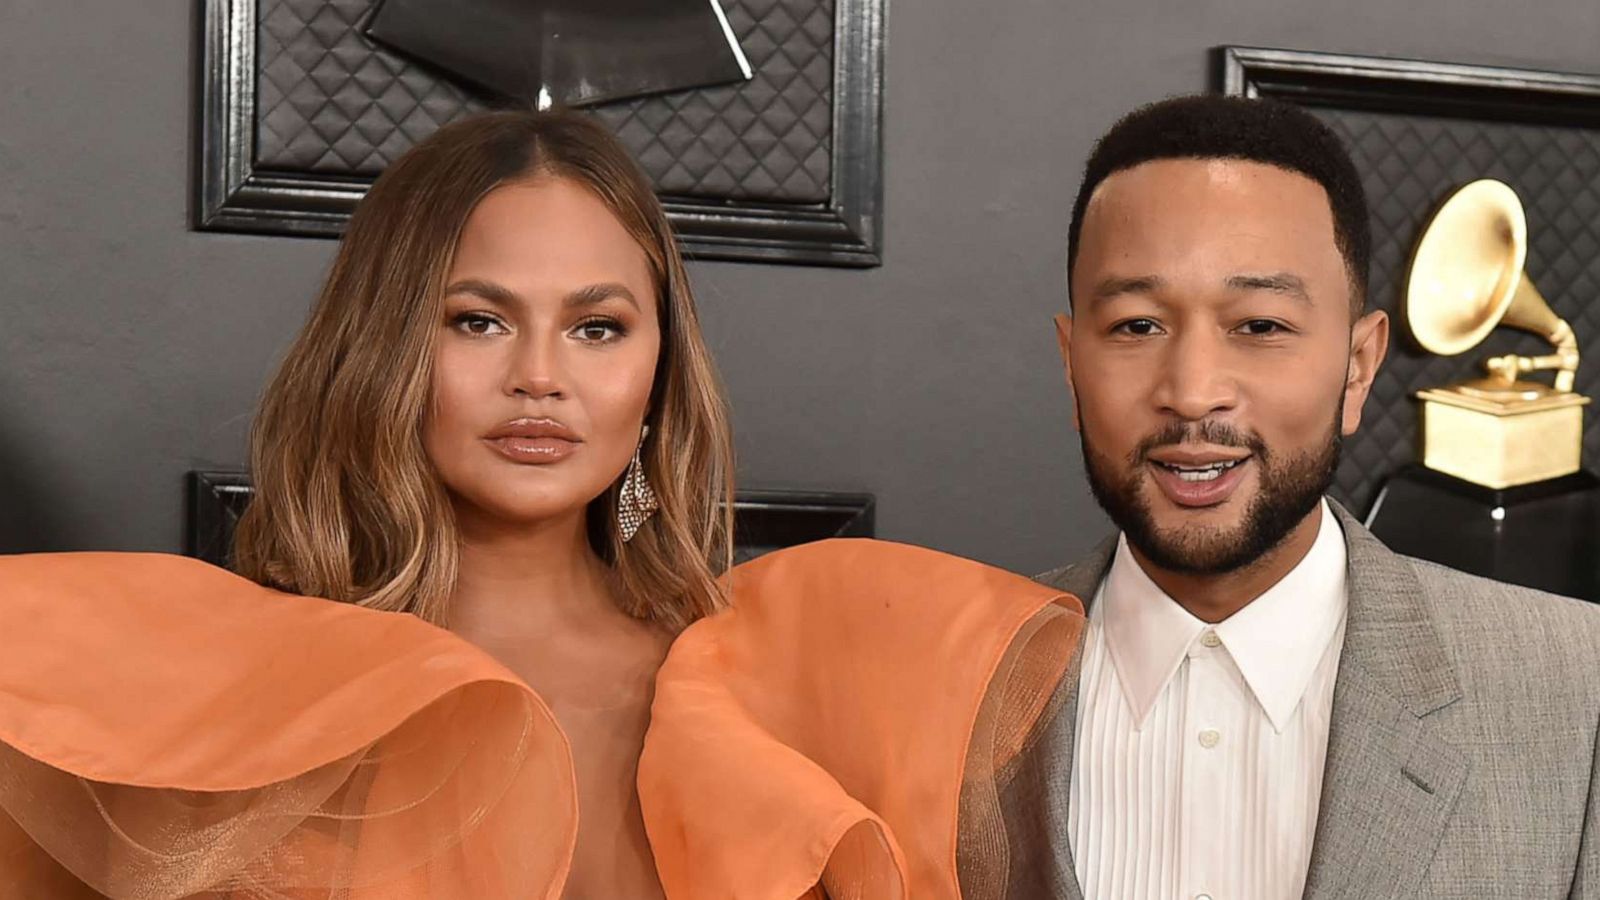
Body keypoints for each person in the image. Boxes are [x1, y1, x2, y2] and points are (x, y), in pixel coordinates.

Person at [0, 109, 733, 898]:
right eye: (477, 321)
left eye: (597, 328)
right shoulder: (247, 691)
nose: (540, 376)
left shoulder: (751, 690)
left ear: (660, 374)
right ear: (384, 348)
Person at [1003, 94, 1600, 899]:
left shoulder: (1579, 690)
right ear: (1072, 363)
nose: (1192, 392)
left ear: (1358, 365)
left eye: (1260, 326)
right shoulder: (942, 680)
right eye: (1138, 326)